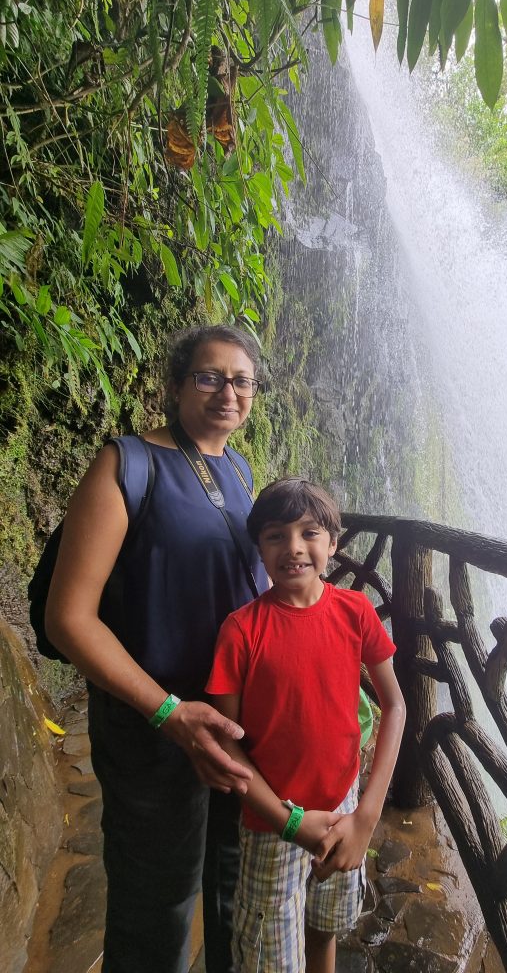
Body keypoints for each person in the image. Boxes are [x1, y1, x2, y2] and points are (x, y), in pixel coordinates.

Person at [45, 324, 270, 973]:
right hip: (153, 727)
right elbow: (69, 618)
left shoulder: (238, 468)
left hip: (229, 721)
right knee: (157, 907)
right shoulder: (127, 464)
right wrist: (170, 714)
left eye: (242, 380)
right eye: (209, 376)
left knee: (232, 886)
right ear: (175, 387)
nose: (228, 391)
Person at [206, 477, 406, 973]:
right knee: (269, 960)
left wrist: (365, 817)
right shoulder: (241, 630)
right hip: (272, 823)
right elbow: (228, 744)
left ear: (333, 543)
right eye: (275, 535)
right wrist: (288, 821)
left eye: (309, 532)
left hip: (343, 809)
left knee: (323, 930)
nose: (293, 548)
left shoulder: (355, 610)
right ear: (259, 547)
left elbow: (395, 706)